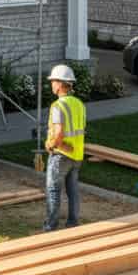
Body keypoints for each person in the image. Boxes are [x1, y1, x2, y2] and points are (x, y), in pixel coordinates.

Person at [43, 64, 86, 232]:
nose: (51, 84)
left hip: (60, 155)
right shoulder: (79, 104)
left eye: (53, 81)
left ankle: (51, 225)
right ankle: (73, 222)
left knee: (53, 190)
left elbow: (59, 132)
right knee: (73, 190)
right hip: (77, 155)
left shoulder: (58, 106)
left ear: (60, 84)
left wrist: (51, 144)